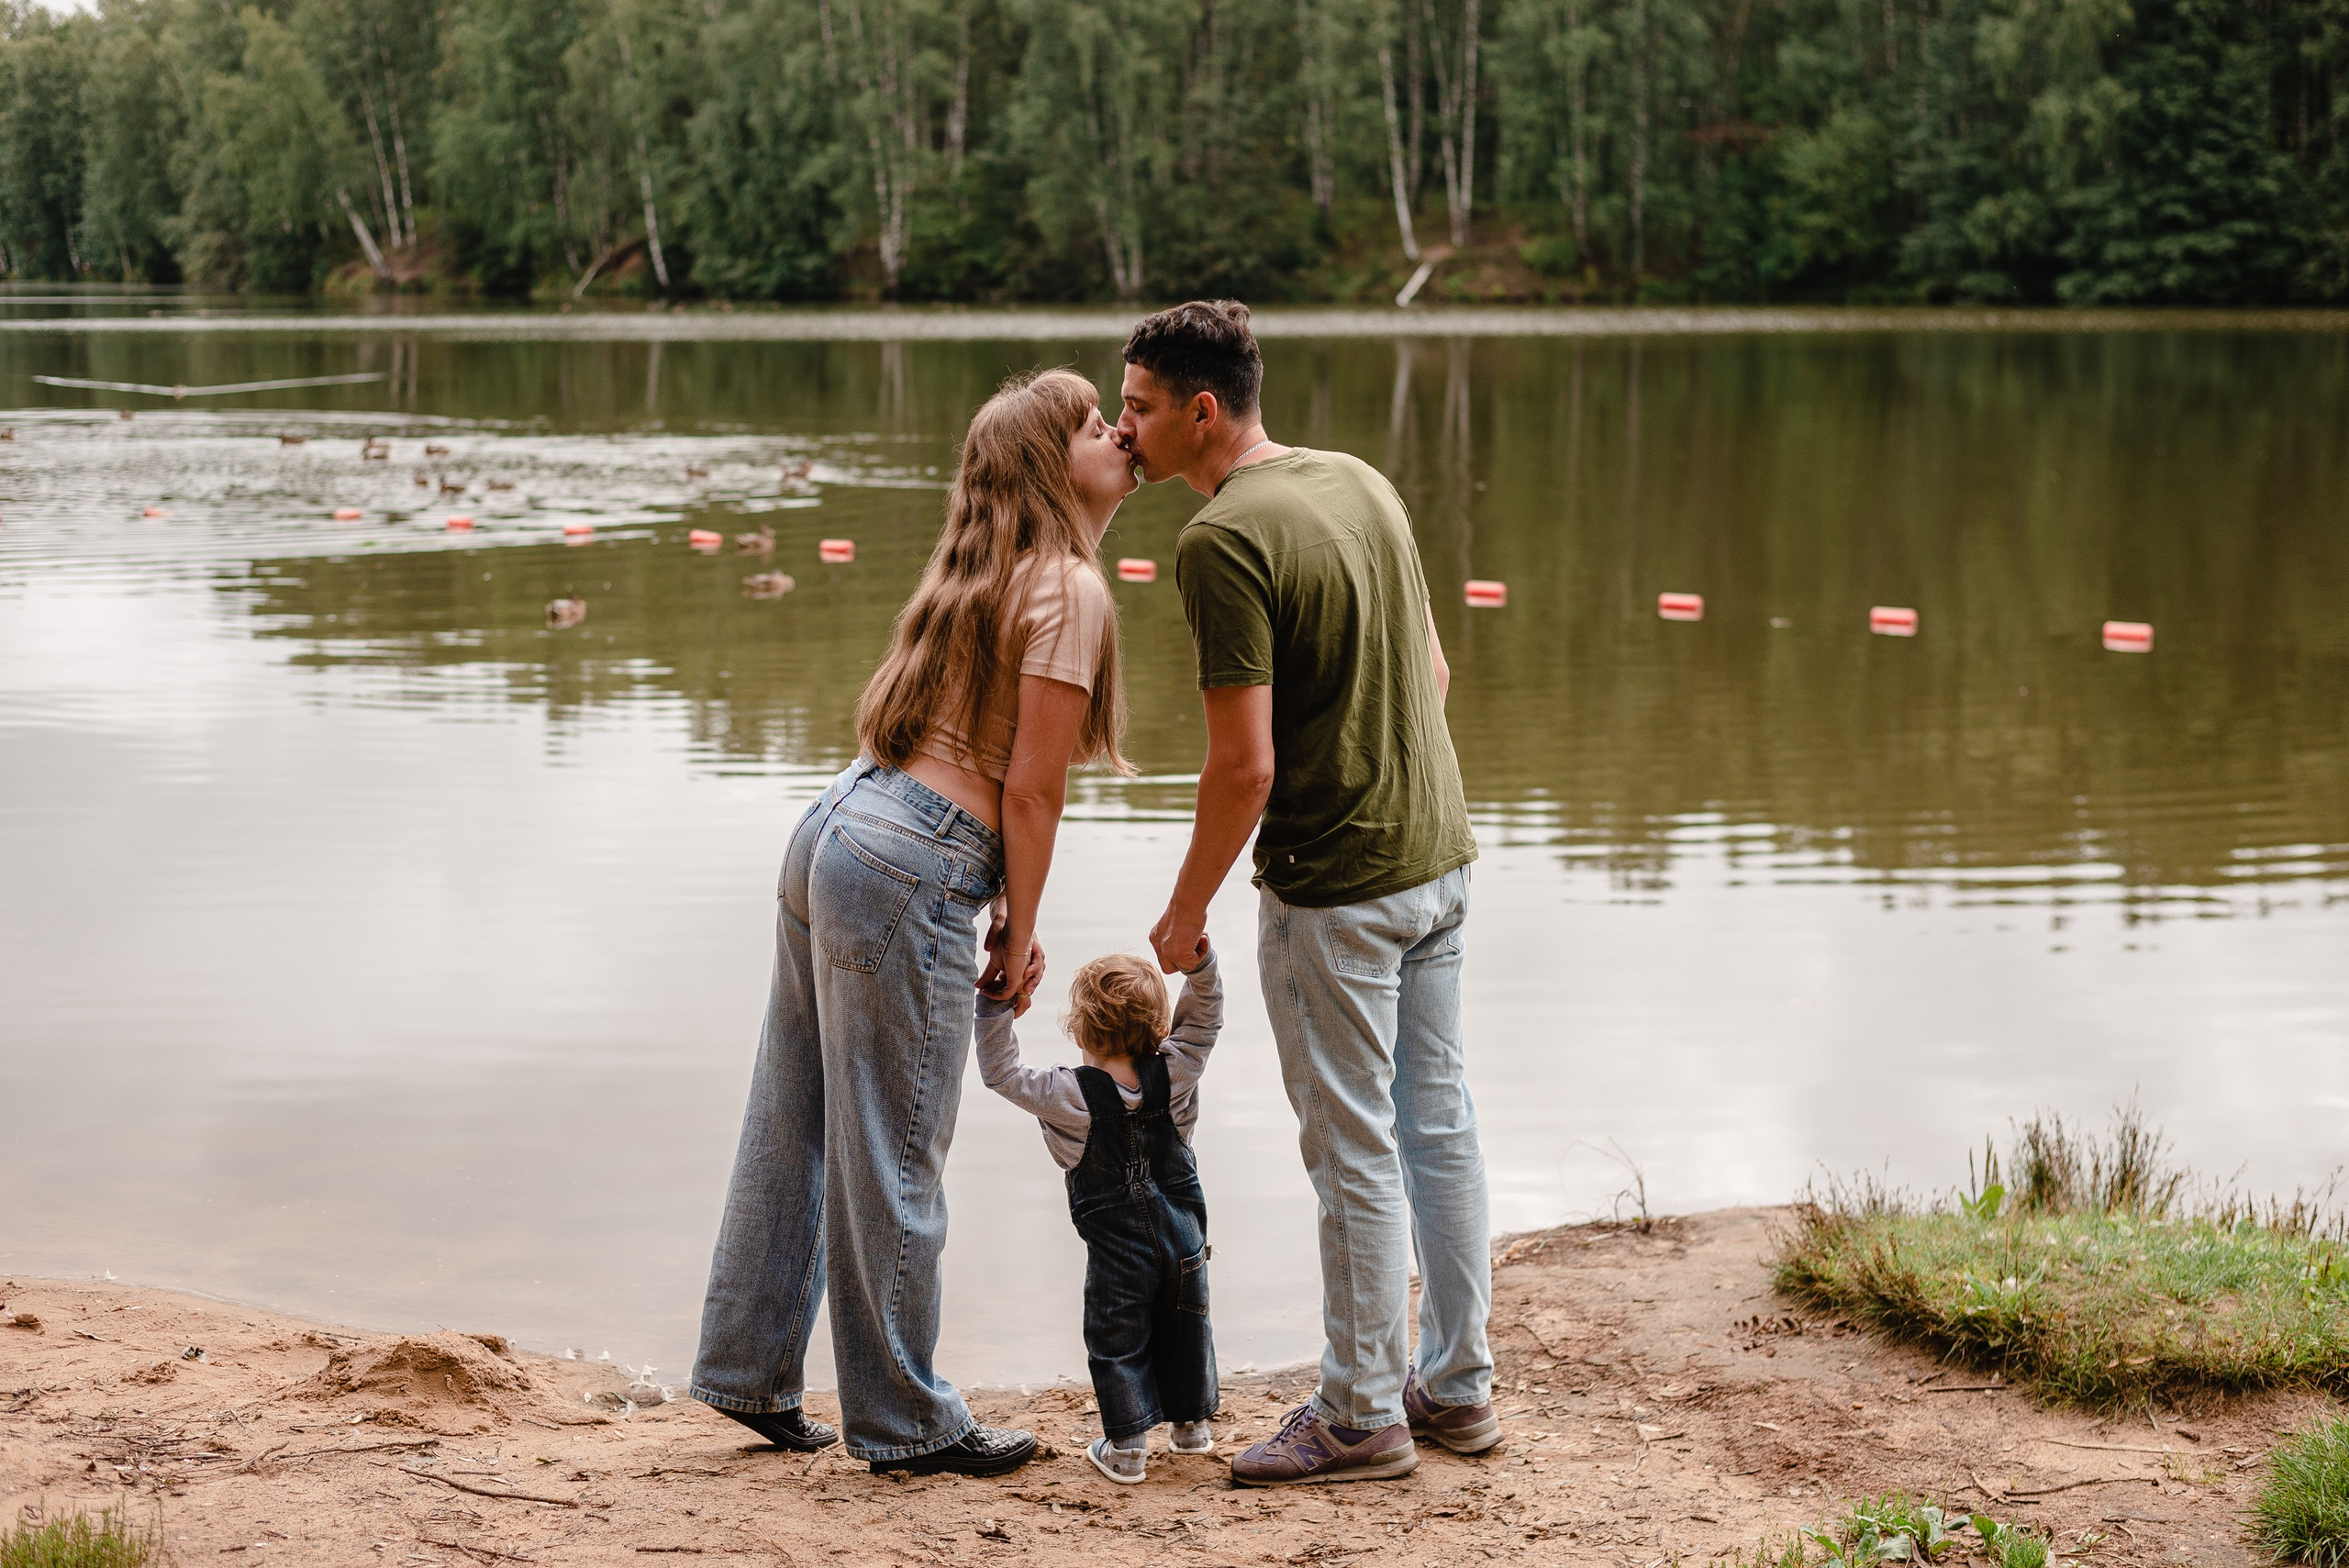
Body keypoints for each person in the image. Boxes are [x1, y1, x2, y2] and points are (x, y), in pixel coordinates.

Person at [688, 368, 1138, 1477]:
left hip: (840, 824)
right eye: (1095, 424)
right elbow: (1032, 790)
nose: (1119, 433)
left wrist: (1003, 904)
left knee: (794, 1114)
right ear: (1052, 465)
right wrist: (1019, 929)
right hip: (911, 861)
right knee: (898, 1148)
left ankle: (748, 1370)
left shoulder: (980, 569)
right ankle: (904, 1419)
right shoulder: (1071, 587)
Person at [1115, 301, 1498, 1487]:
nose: (1123, 430)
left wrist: (1185, 911)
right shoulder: (1360, 481)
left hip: (1337, 891)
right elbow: (1432, 669)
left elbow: (1244, 767)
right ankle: (1458, 1384)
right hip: (1439, 859)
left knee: (1352, 1149)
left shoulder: (1221, 539)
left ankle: (1358, 1412)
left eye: (1137, 408)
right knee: (1437, 1125)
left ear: (1201, 411)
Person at [974, 948, 1223, 1485]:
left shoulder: (1066, 1094)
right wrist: (1200, 968)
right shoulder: (1177, 1070)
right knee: (1186, 1326)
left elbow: (1001, 1072)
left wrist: (996, 1006)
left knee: (1118, 1342)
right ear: (1160, 1027)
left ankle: (1127, 1450)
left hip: (1117, 1257)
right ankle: (1191, 1430)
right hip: (1185, 1243)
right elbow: (1205, 1021)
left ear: (1079, 1030)